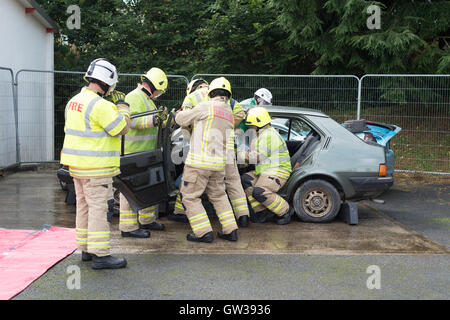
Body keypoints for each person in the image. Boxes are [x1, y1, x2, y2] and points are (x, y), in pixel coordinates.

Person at [60, 58, 130, 269]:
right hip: (96, 168)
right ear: (107, 81)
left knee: (84, 207)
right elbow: (121, 128)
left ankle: (86, 250)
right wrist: (123, 108)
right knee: (99, 209)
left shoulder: (73, 101)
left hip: (77, 167)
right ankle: (100, 255)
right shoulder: (101, 105)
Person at [171, 79, 250, 227]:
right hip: (223, 154)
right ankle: (239, 220)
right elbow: (240, 115)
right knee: (230, 186)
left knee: (189, 192)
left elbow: (182, 119)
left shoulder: (196, 100)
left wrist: (197, 125)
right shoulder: (229, 109)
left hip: (201, 156)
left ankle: (195, 225)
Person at [118, 67, 169, 238]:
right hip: (133, 153)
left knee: (147, 188)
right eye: (159, 90)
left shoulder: (147, 99)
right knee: (129, 191)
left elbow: (150, 120)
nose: (159, 93)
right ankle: (128, 228)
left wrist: (163, 120)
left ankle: (146, 221)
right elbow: (131, 121)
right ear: (155, 85)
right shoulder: (134, 96)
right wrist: (155, 120)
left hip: (146, 152)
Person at [238, 107, 294, 225]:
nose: (250, 128)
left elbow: (257, 156)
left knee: (259, 191)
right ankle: (262, 212)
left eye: (251, 125)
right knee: (246, 180)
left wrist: (238, 155)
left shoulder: (269, 135)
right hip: (265, 170)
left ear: (258, 123)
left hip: (279, 170)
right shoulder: (261, 134)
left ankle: (285, 211)